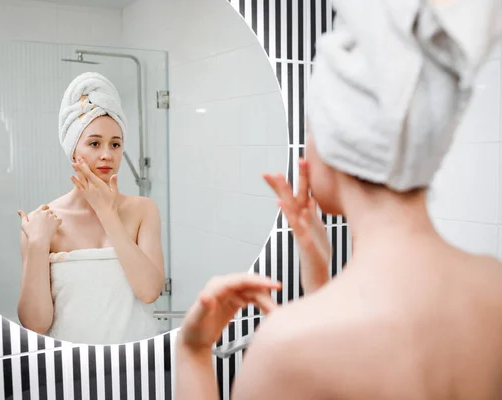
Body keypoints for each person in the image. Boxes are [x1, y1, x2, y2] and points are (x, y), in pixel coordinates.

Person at [176, 0, 502, 398]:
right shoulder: (493, 285)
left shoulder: (288, 346)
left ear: (339, 144)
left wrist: (192, 351)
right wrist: (319, 278)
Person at [16, 72, 165, 344]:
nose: (107, 154)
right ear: (73, 151)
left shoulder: (144, 211)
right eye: (94, 143)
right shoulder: (43, 221)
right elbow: (35, 324)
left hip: (138, 362)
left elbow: (149, 291)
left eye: (115, 144)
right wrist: (38, 244)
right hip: (71, 367)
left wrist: (108, 214)